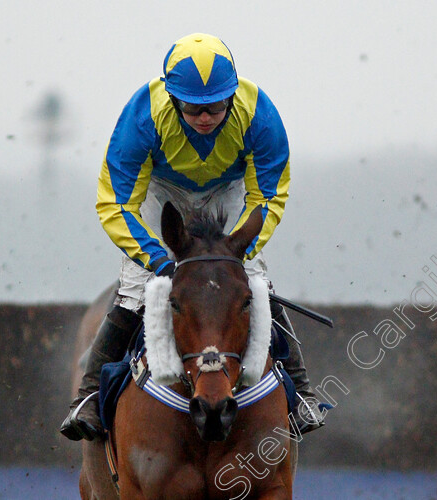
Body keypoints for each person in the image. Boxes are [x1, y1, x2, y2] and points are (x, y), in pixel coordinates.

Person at [61, 33, 325, 441]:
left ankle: (302, 392)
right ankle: (89, 395)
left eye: (217, 105)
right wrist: (160, 260)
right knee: (137, 285)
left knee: (253, 279)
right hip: (159, 193)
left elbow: (267, 198)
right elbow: (115, 204)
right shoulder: (142, 117)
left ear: (232, 97)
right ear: (171, 97)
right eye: (192, 107)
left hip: (229, 192)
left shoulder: (260, 116)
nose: (205, 117)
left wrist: (236, 253)